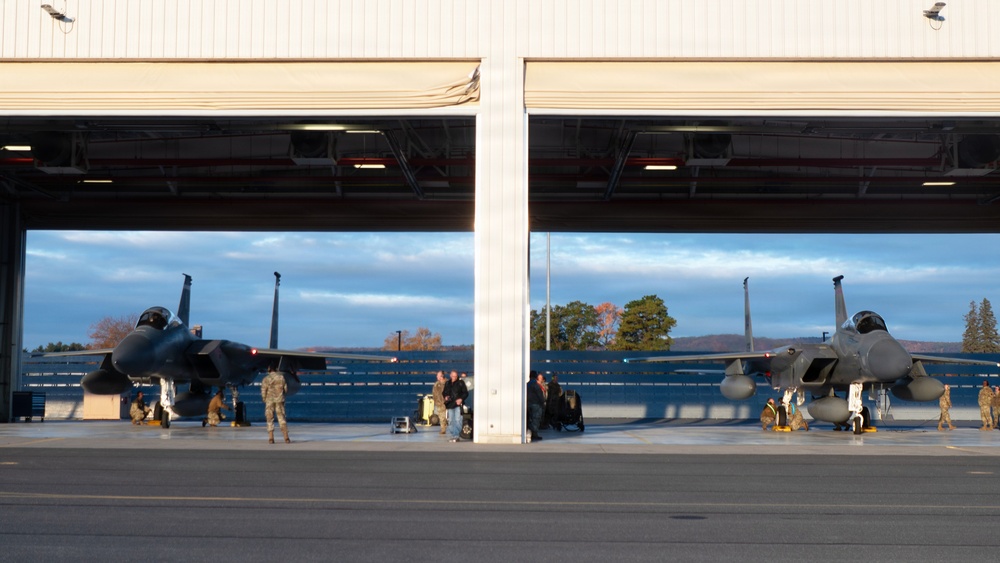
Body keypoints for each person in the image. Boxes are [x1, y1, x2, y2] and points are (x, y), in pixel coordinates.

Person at [261, 368, 290, 443]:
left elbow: (263, 390)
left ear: (269, 369)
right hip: (279, 400)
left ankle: (271, 438)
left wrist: (264, 399)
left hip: (269, 401)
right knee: (281, 418)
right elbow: (286, 389)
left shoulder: (266, 379)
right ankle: (286, 438)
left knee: (269, 419)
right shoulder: (281, 377)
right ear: (276, 369)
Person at [442, 370, 468, 442]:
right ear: (450, 375)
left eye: (456, 376)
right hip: (450, 404)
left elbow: (465, 393)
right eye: (453, 376)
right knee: (450, 421)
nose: (454, 377)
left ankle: (456, 436)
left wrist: (461, 399)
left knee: (458, 420)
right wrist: (445, 397)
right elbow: (444, 392)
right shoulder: (447, 383)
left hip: (457, 405)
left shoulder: (460, 383)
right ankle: (453, 435)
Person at [526, 370, 547, 442]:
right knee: (536, 420)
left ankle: (529, 432)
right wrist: (543, 402)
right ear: (536, 377)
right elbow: (540, 396)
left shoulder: (527, 384)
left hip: (528, 404)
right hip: (536, 405)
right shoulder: (536, 385)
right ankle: (534, 434)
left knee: (529, 419)